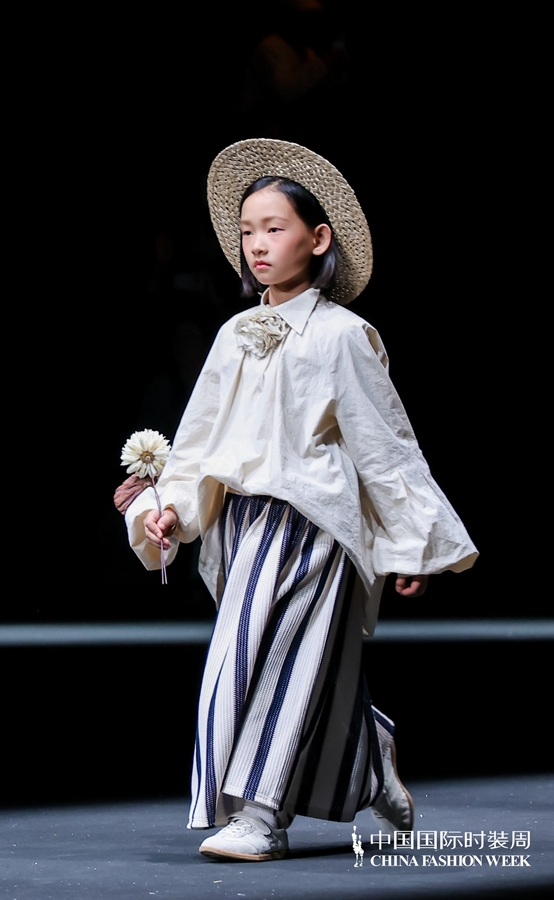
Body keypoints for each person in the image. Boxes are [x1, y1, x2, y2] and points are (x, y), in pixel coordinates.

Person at [122, 139, 478, 862]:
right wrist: (171, 506)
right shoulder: (234, 334)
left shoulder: (344, 337)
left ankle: (260, 816)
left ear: (318, 240)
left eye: (274, 228)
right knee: (260, 661)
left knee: (276, 662)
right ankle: (371, 756)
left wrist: (411, 543)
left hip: (315, 523)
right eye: (247, 231)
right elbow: (200, 437)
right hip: (242, 523)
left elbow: (386, 446)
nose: (256, 244)